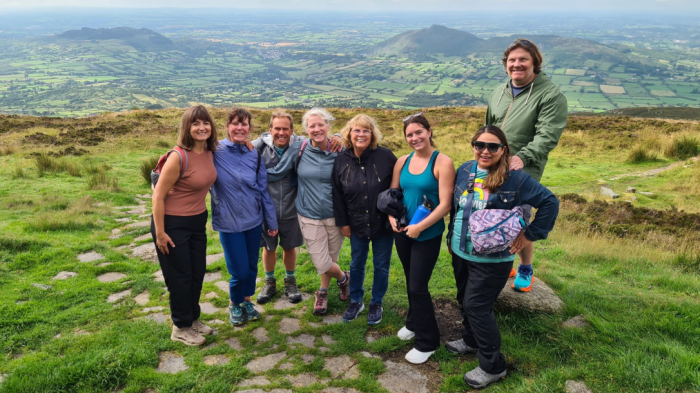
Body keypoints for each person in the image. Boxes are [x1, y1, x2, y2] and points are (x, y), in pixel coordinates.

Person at [445, 125, 559, 389]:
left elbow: (550, 202)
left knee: (476, 306)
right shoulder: (465, 170)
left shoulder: (515, 178)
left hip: (493, 259)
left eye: (492, 146)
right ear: (473, 146)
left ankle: (493, 366)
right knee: (464, 298)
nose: (485, 151)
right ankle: (471, 340)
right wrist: (452, 237)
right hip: (461, 250)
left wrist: (529, 235)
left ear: (503, 150)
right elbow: (456, 206)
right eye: (479, 145)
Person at [485, 38, 567, 292]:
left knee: (519, 218)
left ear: (535, 64)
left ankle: (526, 267)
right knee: (494, 213)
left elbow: (547, 135)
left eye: (523, 60)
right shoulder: (500, 91)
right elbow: (489, 127)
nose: (516, 64)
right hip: (493, 164)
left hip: (523, 169)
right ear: (505, 64)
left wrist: (524, 156)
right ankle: (504, 260)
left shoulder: (550, 95)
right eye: (512, 60)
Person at [251, 111, 342, 305]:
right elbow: (242, 150)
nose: (281, 132)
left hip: (293, 209)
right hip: (268, 210)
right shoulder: (259, 146)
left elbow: (320, 134)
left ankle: (290, 281)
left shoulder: (299, 144)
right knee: (269, 247)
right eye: (277, 128)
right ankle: (269, 281)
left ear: (293, 131)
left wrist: (338, 137)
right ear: (270, 130)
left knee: (289, 247)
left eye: (286, 128)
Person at [388, 113, 455, 364]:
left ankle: (428, 342)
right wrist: (392, 218)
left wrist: (420, 227)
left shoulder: (442, 162)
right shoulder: (402, 161)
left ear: (429, 132)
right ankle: (414, 322)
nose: (414, 138)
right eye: (409, 134)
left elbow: (445, 204)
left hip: (427, 234)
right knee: (410, 279)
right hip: (403, 232)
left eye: (419, 132)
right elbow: (394, 195)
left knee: (418, 285)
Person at [151, 105, 218, 346]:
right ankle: (180, 326)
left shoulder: (210, 152)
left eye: (206, 123)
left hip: (197, 221)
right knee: (180, 277)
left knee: (197, 272)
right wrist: (160, 233)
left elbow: (245, 140)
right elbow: (158, 196)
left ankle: (192, 319)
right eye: (195, 124)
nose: (202, 128)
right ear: (187, 128)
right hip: (171, 224)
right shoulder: (179, 156)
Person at [211, 108, 278, 326]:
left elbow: (262, 190)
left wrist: (271, 220)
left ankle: (247, 301)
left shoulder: (253, 153)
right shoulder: (214, 151)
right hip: (228, 221)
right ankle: (234, 303)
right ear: (227, 126)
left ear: (249, 128)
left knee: (250, 265)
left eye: (244, 124)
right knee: (238, 269)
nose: (240, 128)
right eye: (235, 123)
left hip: (253, 220)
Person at [331, 114, 397, 325]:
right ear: (349, 134)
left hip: (383, 224)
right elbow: (337, 194)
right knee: (357, 263)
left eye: (366, 130)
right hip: (356, 223)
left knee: (381, 265)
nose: (361, 134)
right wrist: (344, 224)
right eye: (356, 130)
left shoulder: (386, 156)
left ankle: (376, 302)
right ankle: (356, 300)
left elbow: (398, 186)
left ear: (372, 134)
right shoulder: (341, 160)